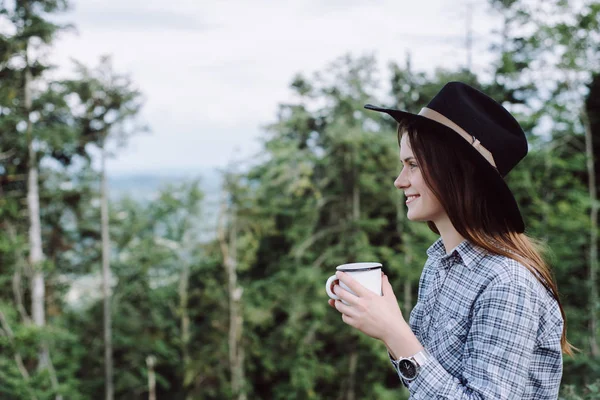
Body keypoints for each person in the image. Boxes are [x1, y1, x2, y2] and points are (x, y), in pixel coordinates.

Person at [327, 82, 574, 399]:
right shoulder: (440, 264)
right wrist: (383, 320)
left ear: (455, 171)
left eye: (412, 165)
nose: (399, 181)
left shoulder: (507, 282)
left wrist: (394, 331)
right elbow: (426, 378)